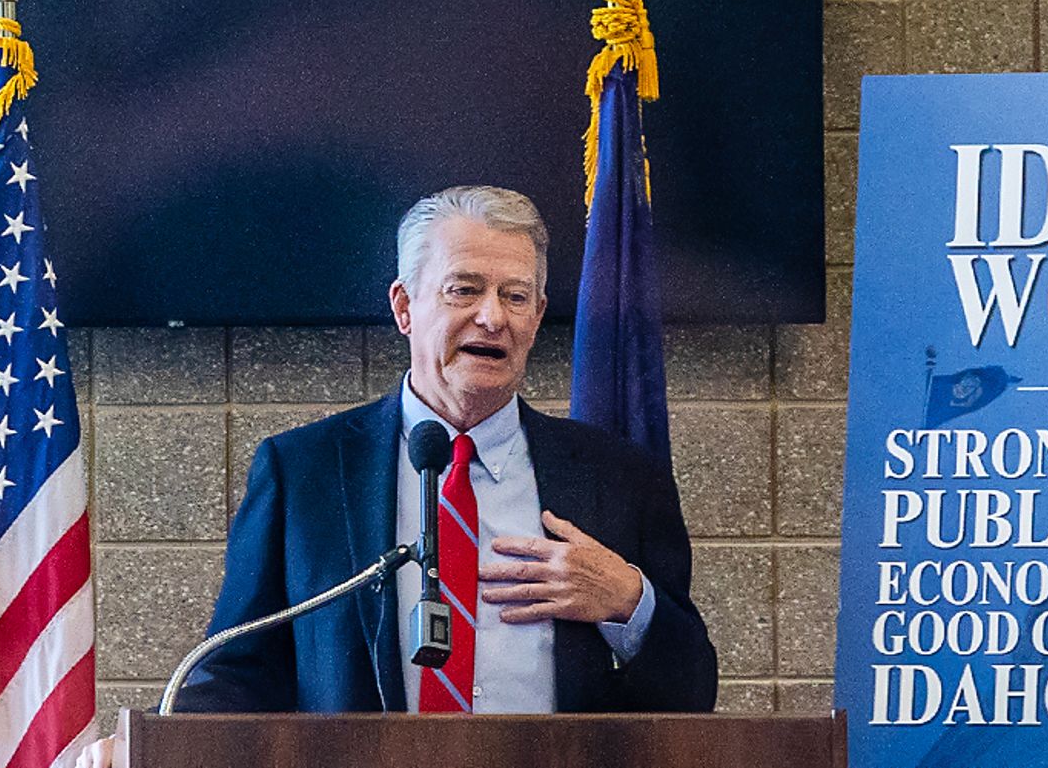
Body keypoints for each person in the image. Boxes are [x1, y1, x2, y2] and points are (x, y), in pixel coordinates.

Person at [173, 185, 717, 713]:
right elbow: (237, 671)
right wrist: (147, 745)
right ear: (405, 306)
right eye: (464, 289)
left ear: (536, 314)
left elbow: (692, 691)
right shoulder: (303, 472)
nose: (493, 317)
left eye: (516, 296)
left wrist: (629, 602)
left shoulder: (620, 477)